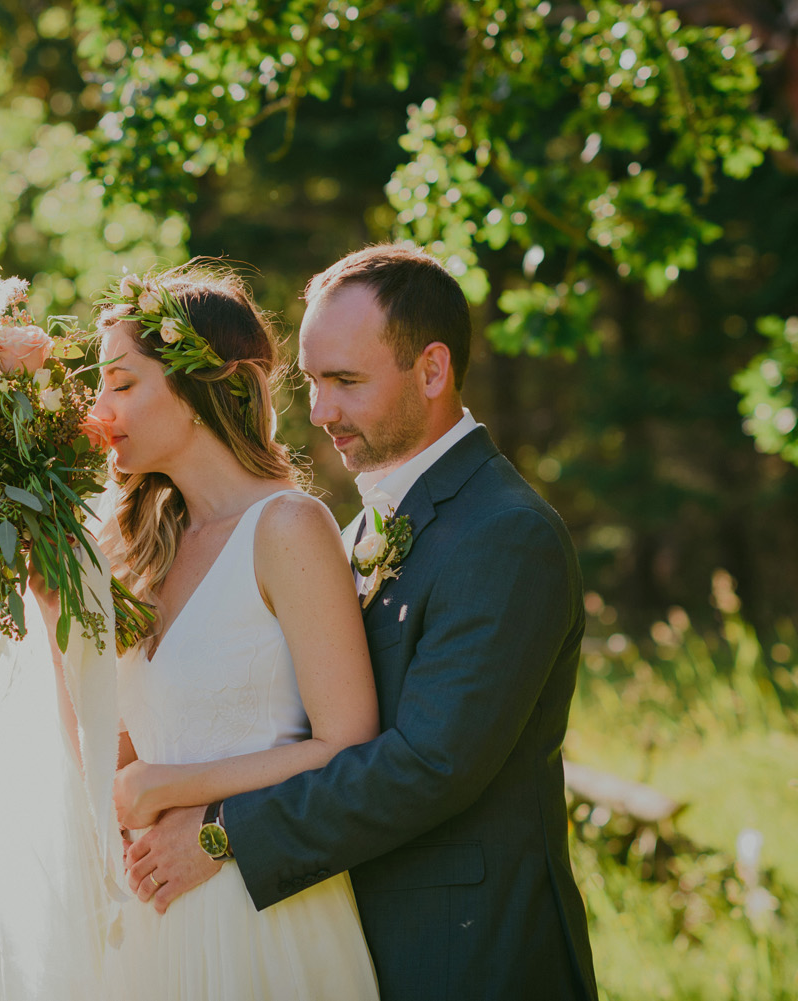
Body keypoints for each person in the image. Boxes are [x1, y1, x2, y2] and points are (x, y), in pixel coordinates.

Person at [123, 243, 600, 1001]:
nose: (320, 411)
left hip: (469, 956)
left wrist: (223, 832)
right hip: (347, 942)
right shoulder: (356, 531)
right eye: (312, 382)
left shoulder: (505, 533)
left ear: (433, 371)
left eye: (345, 381)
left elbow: (427, 766)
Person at [13, 264, 384, 999]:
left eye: (122, 383)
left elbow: (349, 746)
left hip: (262, 915)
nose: (100, 408)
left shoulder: (288, 526)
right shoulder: (143, 548)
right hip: (156, 924)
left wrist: (173, 787)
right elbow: (105, 770)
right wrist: (57, 614)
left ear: (197, 390)